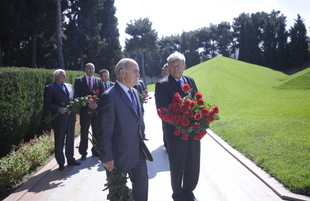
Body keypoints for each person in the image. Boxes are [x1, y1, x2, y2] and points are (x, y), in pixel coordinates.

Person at [96, 58, 151, 201]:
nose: (138, 74)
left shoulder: (134, 91)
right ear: (122, 73)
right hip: (118, 158)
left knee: (142, 188)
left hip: (138, 152)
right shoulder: (109, 96)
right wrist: (107, 158)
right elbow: (104, 131)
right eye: (135, 71)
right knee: (117, 195)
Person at [155, 52, 199, 201]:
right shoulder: (162, 84)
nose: (175, 69)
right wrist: (180, 120)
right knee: (178, 165)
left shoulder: (190, 81)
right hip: (175, 134)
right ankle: (178, 194)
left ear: (184, 66)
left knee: (193, 163)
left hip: (193, 132)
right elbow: (162, 111)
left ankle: (189, 191)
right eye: (172, 66)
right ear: (168, 67)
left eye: (178, 65)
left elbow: (198, 102)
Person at [44, 69, 81, 170]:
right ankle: (60, 161)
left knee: (70, 139)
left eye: (65, 75)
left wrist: (77, 102)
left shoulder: (69, 86)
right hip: (59, 119)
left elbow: (73, 98)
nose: (65, 77)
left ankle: (70, 158)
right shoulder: (50, 88)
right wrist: (58, 109)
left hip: (70, 117)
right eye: (62, 75)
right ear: (56, 77)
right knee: (59, 140)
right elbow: (47, 103)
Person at [74, 63, 103, 160]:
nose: (91, 70)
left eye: (92, 68)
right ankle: (83, 152)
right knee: (84, 131)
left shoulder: (99, 80)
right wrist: (86, 103)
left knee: (96, 131)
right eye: (89, 68)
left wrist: (96, 104)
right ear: (85, 69)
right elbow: (77, 95)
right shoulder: (79, 80)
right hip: (85, 111)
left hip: (95, 111)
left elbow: (102, 95)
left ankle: (96, 151)